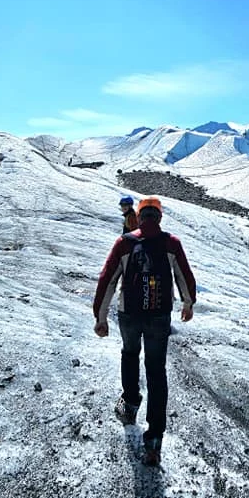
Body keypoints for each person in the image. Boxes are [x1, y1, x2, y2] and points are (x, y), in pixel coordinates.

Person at [93, 196, 196, 466]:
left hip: (129, 314)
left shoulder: (125, 243)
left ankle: (130, 404)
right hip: (159, 316)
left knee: (129, 354)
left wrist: (100, 317)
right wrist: (188, 302)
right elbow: (184, 275)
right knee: (156, 370)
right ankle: (154, 440)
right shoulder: (171, 243)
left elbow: (107, 280)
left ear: (139, 217)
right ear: (159, 218)